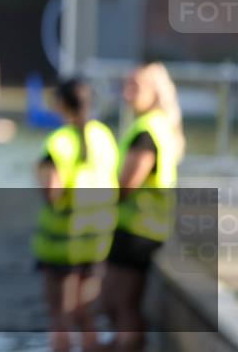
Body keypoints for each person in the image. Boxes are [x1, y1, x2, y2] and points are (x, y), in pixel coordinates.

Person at [32, 79, 119, 352]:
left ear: (60, 104)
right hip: (96, 241)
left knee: (60, 317)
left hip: (62, 243)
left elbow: (52, 191)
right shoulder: (104, 135)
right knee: (86, 315)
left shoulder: (59, 141)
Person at [102, 63, 183, 351]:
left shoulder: (147, 131)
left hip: (137, 230)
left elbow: (127, 183)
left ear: (154, 92)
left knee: (121, 305)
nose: (127, 93)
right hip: (142, 227)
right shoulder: (158, 126)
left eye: (134, 86)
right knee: (117, 304)